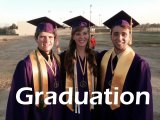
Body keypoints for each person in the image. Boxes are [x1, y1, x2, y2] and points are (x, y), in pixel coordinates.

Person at [5, 17, 64, 120]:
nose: (47, 41)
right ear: (36, 38)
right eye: (42, 37)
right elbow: (19, 103)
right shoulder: (26, 66)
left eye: (50, 37)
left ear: (54, 39)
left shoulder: (58, 61)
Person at [99, 10, 153, 120]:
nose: (119, 38)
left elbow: (143, 105)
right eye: (116, 34)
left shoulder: (139, 65)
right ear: (111, 35)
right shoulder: (103, 57)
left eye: (124, 34)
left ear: (129, 36)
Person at [60, 16, 97, 120]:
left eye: (85, 33)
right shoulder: (64, 57)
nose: (82, 37)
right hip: (71, 109)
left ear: (89, 35)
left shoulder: (96, 57)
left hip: (91, 108)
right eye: (78, 34)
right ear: (73, 36)